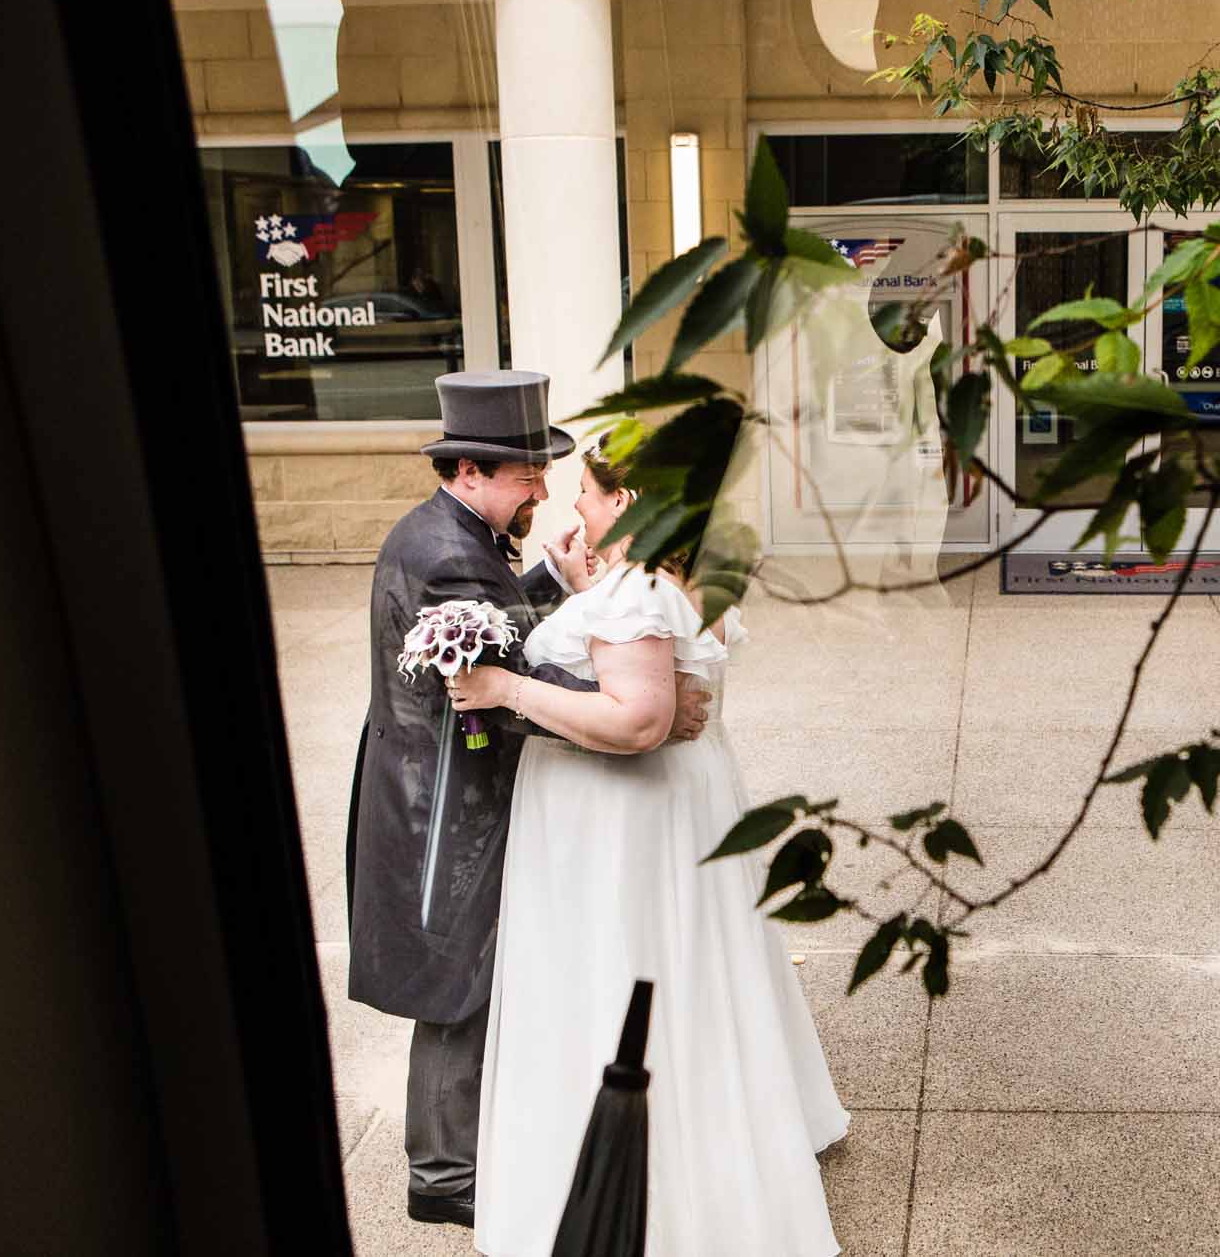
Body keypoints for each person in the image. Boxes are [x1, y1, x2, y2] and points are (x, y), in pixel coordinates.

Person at [449, 447, 848, 1257]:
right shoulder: (670, 577)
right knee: (692, 970)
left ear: (627, 498)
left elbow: (637, 722)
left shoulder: (639, 592)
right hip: (680, 804)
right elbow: (660, 674)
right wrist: (582, 588)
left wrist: (506, 689)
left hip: (621, 822)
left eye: (587, 498)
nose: (574, 515)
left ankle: (659, 1176)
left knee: (621, 970)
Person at [346, 370, 710, 1230]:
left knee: (473, 970)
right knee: (455, 978)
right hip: (441, 802)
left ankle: (459, 1152)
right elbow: (499, 674)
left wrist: (550, 578)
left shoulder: (455, 534)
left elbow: (503, 627)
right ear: (468, 471)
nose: (542, 490)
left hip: (451, 784)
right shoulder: (441, 554)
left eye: (548, 474)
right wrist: (633, 696)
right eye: (524, 475)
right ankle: (442, 1175)